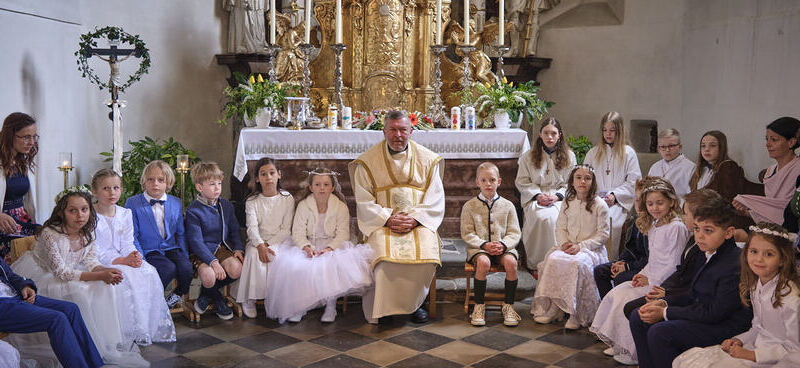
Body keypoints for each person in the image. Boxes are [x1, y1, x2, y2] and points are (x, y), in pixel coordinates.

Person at [11, 186, 147, 366]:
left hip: (70, 273)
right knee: (79, 293)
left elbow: (91, 262)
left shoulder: (88, 232)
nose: (80, 215)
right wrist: (100, 276)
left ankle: (103, 344)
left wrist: (104, 271)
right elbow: (61, 272)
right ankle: (74, 346)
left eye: (84, 209)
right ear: (62, 213)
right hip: (44, 275)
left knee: (105, 286)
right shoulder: (51, 234)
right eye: (72, 211)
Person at [628, 197, 752, 368]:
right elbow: (693, 293)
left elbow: (714, 313)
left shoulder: (734, 264)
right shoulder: (705, 251)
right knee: (638, 315)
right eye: (697, 229)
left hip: (724, 325)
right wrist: (663, 302)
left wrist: (665, 312)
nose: (699, 236)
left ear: (729, 232)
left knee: (660, 332)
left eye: (708, 230)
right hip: (705, 315)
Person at [349, 110, 445, 324]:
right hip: (383, 223)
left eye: (403, 129)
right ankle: (384, 308)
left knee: (426, 257)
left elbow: (436, 197)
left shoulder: (428, 160)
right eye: (392, 129)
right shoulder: (367, 162)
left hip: (418, 223)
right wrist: (387, 218)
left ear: (411, 131)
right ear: (383, 132)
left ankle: (415, 305)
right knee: (383, 259)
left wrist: (416, 219)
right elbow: (363, 200)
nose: (398, 135)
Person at [590, 178, 689, 365]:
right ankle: (622, 344)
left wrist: (651, 280)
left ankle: (634, 350)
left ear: (672, 202)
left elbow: (674, 264)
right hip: (651, 276)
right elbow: (654, 259)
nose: (655, 208)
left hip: (663, 283)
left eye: (660, 203)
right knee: (616, 294)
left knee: (626, 299)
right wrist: (641, 274)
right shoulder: (655, 224)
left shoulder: (676, 227)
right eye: (650, 204)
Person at [673, 222, 800, 367]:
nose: (759, 259)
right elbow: (758, 327)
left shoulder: (791, 300)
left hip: (781, 360)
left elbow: (795, 349)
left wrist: (753, 355)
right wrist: (739, 340)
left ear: (783, 259)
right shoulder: (756, 286)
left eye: (769, 254)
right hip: (757, 347)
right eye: (753, 251)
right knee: (689, 360)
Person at [265, 167, 373, 323]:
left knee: (330, 265)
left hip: (333, 245)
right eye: (317, 184)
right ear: (310, 187)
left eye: (326, 184)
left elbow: (343, 234)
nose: (321, 188)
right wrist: (307, 247)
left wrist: (329, 249)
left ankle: (331, 307)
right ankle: (300, 307)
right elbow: (298, 232)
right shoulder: (303, 205)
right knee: (296, 266)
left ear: (332, 187)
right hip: (310, 244)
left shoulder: (340, 207)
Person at [91, 168, 175, 345]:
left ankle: (142, 328)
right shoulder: (90, 216)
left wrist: (135, 256)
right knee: (123, 277)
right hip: (98, 261)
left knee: (148, 271)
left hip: (123, 256)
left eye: (116, 188)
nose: (112, 192)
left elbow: (128, 242)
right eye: (106, 188)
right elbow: (95, 251)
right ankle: (121, 332)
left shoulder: (125, 213)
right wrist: (123, 261)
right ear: (95, 191)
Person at [531, 165, 610, 329]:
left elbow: (603, 235)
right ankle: (555, 306)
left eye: (587, 178)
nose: (582, 181)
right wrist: (564, 243)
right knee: (553, 259)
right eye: (578, 177)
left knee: (576, 264)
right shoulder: (567, 202)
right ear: (572, 182)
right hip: (567, 246)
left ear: (593, 182)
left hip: (590, 250)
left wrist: (580, 246)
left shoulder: (600, 205)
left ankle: (576, 312)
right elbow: (560, 227)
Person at [622, 189, 722, 318]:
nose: (683, 217)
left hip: (684, 295)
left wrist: (665, 291)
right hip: (671, 286)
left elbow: (681, 272)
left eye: (685, 214)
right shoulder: (693, 240)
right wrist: (661, 286)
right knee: (626, 301)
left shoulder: (684, 233)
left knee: (634, 310)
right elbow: (679, 270)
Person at [0, 249, 104, 367]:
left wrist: (25, 286)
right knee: (57, 319)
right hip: (3, 305)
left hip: (15, 295)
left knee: (71, 309)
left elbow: (10, 275)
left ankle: (94, 364)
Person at [126, 160, 192, 310]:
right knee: (167, 268)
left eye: (160, 180)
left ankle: (175, 296)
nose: (155, 183)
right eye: (151, 179)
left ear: (168, 183)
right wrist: (140, 258)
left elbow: (181, 233)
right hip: (149, 249)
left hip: (170, 247)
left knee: (186, 267)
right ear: (144, 182)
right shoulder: (133, 203)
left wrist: (184, 254)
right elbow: (133, 235)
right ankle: (150, 300)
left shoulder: (175, 202)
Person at [234, 157, 295, 318]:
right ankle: (251, 298)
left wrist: (270, 244)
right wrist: (261, 244)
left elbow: (286, 228)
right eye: (263, 174)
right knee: (254, 255)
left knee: (279, 256)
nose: (268, 177)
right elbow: (252, 228)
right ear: (257, 178)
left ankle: (279, 299)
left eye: (272, 173)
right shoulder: (252, 201)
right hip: (257, 241)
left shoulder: (287, 198)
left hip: (280, 240)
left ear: (279, 175)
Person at [462, 162, 522, 327]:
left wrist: (503, 245)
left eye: (492, 180)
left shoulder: (508, 205)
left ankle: (509, 306)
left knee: (511, 262)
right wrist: (484, 245)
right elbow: (467, 233)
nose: (488, 184)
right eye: (484, 180)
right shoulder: (469, 206)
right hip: (479, 249)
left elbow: (514, 232)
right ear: (477, 182)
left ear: (499, 182)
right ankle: (479, 306)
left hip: (504, 248)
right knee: (483, 262)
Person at [185, 162, 245, 321]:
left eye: (219, 183)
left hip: (221, 248)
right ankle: (217, 299)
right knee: (209, 276)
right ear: (199, 187)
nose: (217, 188)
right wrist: (213, 262)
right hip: (201, 251)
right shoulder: (193, 210)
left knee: (237, 269)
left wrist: (238, 248)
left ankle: (206, 294)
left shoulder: (225, 205)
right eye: (212, 184)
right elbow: (196, 242)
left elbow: (234, 230)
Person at [515, 117, 576, 270]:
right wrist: (537, 195)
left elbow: (571, 183)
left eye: (554, 133)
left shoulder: (569, 156)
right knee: (540, 218)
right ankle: (536, 263)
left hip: (559, 198)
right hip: (536, 198)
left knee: (555, 219)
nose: (550, 137)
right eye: (546, 133)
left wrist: (557, 196)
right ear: (540, 135)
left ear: (559, 135)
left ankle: (555, 263)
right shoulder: (528, 156)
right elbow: (522, 181)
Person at [583, 112, 642, 260]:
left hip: (618, 202)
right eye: (605, 130)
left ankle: (608, 260)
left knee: (611, 223)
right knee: (585, 219)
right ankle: (587, 259)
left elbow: (634, 182)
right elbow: (585, 177)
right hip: (594, 198)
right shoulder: (593, 152)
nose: (608, 134)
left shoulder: (629, 153)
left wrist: (615, 195)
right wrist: (594, 195)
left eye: (612, 130)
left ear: (620, 130)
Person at [593, 177, 654, 299]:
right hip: (634, 263)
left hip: (647, 267)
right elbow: (630, 248)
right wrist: (621, 262)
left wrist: (627, 267)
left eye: (644, 202)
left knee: (621, 277)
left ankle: (618, 307)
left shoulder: (654, 225)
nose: (639, 206)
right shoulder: (637, 221)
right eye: (637, 201)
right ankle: (608, 304)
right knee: (600, 271)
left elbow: (651, 258)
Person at [689, 130, 762, 228]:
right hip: (702, 215)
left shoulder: (728, 167)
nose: (706, 149)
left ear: (721, 148)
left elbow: (725, 200)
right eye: (703, 146)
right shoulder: (700, 171)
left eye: (712, 146)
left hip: (721, 218)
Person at [734, 117, 800, 224]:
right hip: (772, 228)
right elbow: (771, 211)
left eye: (774, 140)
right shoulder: (770, 171)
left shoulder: (798, 169)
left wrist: (749, 201)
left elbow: (787, 209)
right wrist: (747, 212)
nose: (768, 144)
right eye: (767, 139)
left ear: (791, 142)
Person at [0, 112, 40, 260]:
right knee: (25, 253)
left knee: (50, 235)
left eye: (34, 136)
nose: (31, 142)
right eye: (26, 137)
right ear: (10, 136)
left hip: (22, 219)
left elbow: (28, 201)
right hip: (3, 224)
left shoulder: (22, 161)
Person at [647, 129, 695, 200]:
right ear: (658, 149)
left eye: (671, 146)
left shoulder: (691, 168)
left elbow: (692, 196)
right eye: (663, 147)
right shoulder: (655, 167)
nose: (667, 150)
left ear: (680, 147)